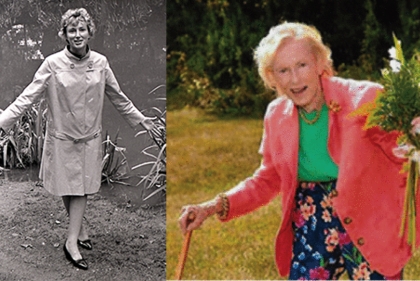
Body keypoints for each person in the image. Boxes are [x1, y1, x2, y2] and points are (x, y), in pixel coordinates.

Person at [179, 22, 419, 280]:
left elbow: (403, 151)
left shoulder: (365, 99)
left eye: (301, 65)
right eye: (283, 70)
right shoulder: (276, 115)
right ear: (272, 76)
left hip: (366, 212)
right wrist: (213, 206)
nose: (294, 79)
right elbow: (268, 178)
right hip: (312, 215)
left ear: (319, 63)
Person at [0, 8, 158, 270]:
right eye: (71, 30)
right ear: (64, 34)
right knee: (66, 185)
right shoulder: (52, 64)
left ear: (89, 32)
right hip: (62, 137)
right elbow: (27, 97)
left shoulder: (101, 63)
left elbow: (118, 96)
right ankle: (79, 231)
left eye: (81, 29)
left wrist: (140, 119)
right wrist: (3, 122)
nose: (77, 35)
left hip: (88, 138)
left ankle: (71, 241)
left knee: (81, 189)